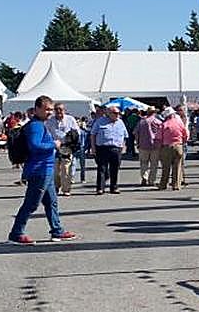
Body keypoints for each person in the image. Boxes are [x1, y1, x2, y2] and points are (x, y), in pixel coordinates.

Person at [9, 95, 79, 246]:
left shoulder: (40, 124)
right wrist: (54, 144)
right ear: (37, 109)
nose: (50, 112)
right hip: (39, 170)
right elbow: (35, 146)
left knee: (51, 202)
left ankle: (57, 230)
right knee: (31, 204)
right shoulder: (36, 126)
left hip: (45, 169)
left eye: (51, 110)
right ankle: (16, 232)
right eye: (46, 109)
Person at [90, 104, 128, 194]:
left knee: (114, 169)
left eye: (118, 113)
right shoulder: (100, 121)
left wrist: (123, 147)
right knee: (102, 169)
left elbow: (125, 136)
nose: (117, 115)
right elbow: (93, 135)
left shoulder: (120, 122)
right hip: (102, 148)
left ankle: (114, 187)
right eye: (115, 113)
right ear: (108, 113)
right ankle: (100, 188)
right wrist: (93, 148)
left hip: (116, 148)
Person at [45, 102, 80, 196]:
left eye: (60, 109)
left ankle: (66, 189)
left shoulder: (70, 119)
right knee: (55, 170)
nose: (58, 111)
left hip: (66, 146)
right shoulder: (50, 121)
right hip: (54, 147)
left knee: (66, 169)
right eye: (56, 109)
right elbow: (47, 133)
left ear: (64, 110)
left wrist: (71, 141)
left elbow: (76, 132)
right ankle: (56, 186)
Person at [156, 106, 189, 190]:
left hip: (166, 147)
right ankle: (176, 185)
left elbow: (159, 138)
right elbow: (186, 135)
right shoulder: (179, 123)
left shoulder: (164, 124)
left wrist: (159, 149)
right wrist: (183, 142)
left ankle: (163, 184)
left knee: (166, 167)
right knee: (177, 167)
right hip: (178, 145)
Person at [135, 106, 161, 186]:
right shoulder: (158, 122)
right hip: (155, 145)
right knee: (154, 164)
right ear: (154, 113)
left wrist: (137, 142)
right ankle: (151, 180)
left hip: (143, 145)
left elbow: (136, 133)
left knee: (143, 163)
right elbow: (161, 134)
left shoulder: (141, 122)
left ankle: (144, 177)